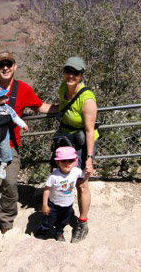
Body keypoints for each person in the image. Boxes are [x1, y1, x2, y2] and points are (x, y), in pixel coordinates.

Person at [0, 52, 53, 234]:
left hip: (10, 144)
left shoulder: (23, 89)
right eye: (1, 64)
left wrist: (63, 105)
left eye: (9, 64)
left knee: (9, 180)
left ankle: (6, 218)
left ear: (15, 66)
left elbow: (40, 106)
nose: (5, 67)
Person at [48, 56, 97, 243]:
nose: (71, 75)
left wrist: (89, 158)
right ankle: (63, 213)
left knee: (81, 182)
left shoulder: (87, 99)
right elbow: (59, 108)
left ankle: (82, 223)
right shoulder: (63, 89)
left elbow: (90, 130)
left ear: (81, 75)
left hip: (84, 143)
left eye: (75, 73)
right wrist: (33, 108)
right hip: (66, 139)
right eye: (68, 71)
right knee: (60, 176)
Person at [37, 146, 85, 242]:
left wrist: (87, 172)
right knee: (49, 220)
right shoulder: (54, 176)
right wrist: (45, 204)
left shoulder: (77, 172)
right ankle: (42, 231)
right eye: (63, 161)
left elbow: (84, 176)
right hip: (54, 204)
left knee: (63, 221)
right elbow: (46, 190)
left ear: (75, 161)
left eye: (70, 160)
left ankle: (59, 232)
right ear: (58, 162)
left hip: (68, 205)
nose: (67, 163)